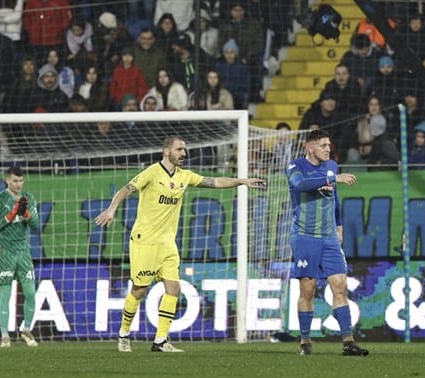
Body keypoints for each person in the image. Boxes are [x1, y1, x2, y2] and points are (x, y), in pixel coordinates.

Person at [95, 136, 266, 352]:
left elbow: (214, 182)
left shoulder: (185, 176)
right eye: (179, 149)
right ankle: (123, 334)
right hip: (145, 241)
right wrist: (112, 209)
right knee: (139, 290)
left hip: (167, 243)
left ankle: (160, 341)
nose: (184, 153)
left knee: (173, 288)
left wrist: (242, 181)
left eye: (184, 150)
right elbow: (126, 189)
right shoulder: (152, 173)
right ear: (166, 151)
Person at [287, 129, 369, 356]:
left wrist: (339, 224)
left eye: (329, 145)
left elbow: (334, 197)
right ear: (309, 147)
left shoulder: (331, 165)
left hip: (329, 238)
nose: (327, 149)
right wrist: (333, 178)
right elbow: (300, 185)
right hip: (305, 237)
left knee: (340, 287)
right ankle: (305, 342)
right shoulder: (296, 166)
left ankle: (348, 341)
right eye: (323, 145)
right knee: (308, 290)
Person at [0, 166, 39, 348]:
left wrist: (26, 215)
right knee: (5, 295)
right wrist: (10, 215)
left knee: (31, 293)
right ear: (7, 180)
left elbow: (36, 225)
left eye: (21, 181)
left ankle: (25, 330)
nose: (18, 184)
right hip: (5, 253)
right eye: (15, 181)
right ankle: (5, 336)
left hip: (23, 253)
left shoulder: (28, 198)